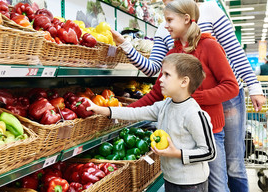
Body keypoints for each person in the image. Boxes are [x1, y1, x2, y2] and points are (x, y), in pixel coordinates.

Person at [111, 0, 266, 192]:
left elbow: (233, 52)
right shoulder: (165, 29)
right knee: (212, 167)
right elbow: (154, 69)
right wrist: (125, 45)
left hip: (226, 98)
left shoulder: (210, 10)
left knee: (233, 164)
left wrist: (254, 86)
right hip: (192, 106)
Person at [129, 0, 239, 191]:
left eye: (169, 20)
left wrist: (193, 99)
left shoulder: (209, 47)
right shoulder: (173, 53)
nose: (166, 25)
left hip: (210, 130)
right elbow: (156, 93)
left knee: (218, 186)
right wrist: (125, 111)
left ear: (187, 18)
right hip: (179, 134)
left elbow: (231, 86)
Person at [88, 53, 216, 192]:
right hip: (170, 178)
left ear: (184, 82)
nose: (160, 79)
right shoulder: (165, 105)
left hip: (192, 184)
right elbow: (135, 113)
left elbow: (210, 152)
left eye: (167, 75)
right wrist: (102, 109)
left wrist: (177, 153)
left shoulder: (194, 114)